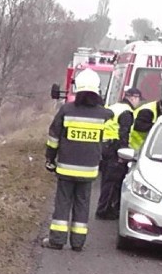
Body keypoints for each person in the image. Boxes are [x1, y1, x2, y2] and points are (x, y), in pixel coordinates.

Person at [42, 68, 113, 252]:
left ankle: (57, 240)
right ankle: (77, 243)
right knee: (82, 205)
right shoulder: (105, 115)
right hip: (89, 170)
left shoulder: (66, 110)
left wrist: (50, 159)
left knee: (63, 204)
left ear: (78, 89)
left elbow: (53, 138)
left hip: (65, 168)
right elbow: (107, 143)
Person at [95, 87, 143, 220]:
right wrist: (123, 153)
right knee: (113, 181)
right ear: (133, 98)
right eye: (138, 99)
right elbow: (124, 133)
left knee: (106, 181)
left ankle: (104, 207)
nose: (138, 103)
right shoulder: (127, 112)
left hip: (104, 146)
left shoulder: (114, 106)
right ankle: (104, 210)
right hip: (115, 148)